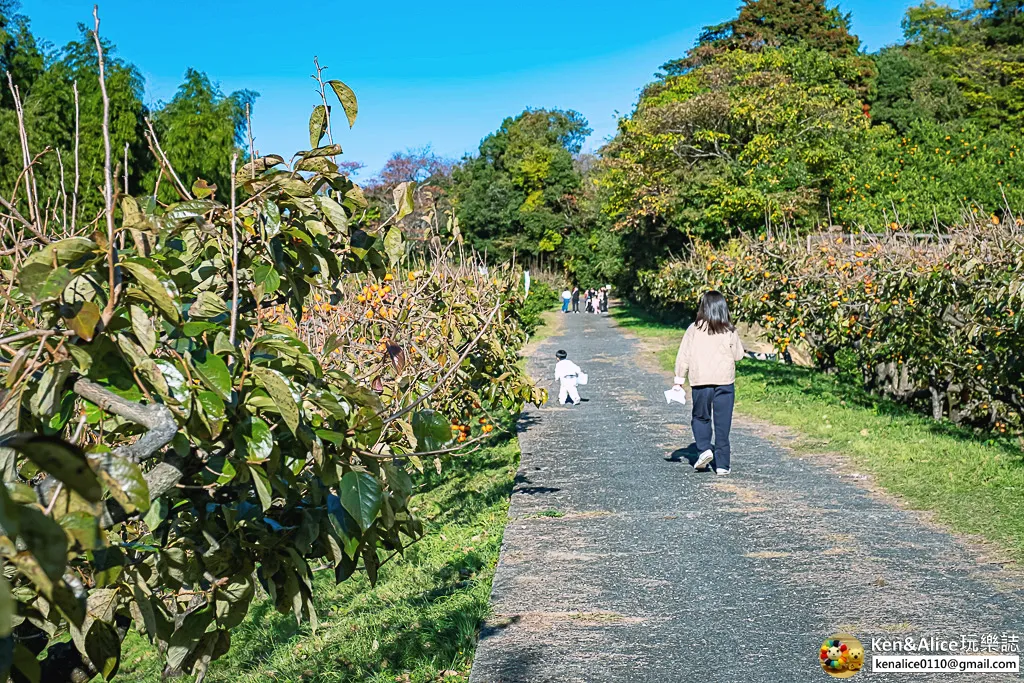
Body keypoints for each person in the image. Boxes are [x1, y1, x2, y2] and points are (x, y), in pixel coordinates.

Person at [673, 291, 744, 476]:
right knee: (723, 423)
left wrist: (679, 380)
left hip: (700, 381)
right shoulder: (729, 329)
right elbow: (739, 356)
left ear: (703, 306)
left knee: (700, 417)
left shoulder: (693, 329)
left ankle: (704, 449)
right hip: (725, 382)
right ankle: (722, 465)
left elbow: (683, 357)